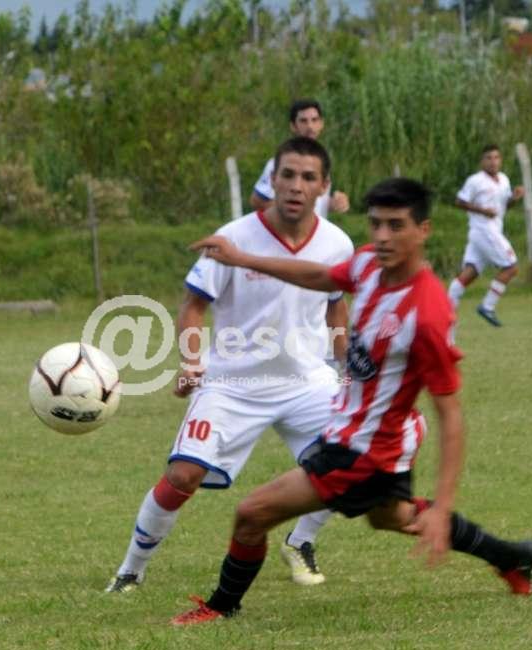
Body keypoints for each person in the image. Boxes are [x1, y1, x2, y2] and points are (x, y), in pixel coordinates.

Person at [171, 177, 532, 626]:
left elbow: (451, 414)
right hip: (359, 436)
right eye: (376, 224)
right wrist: (241, 258)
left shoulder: (427, 313)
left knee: (252, 514)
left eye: (396, 226)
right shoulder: (367, 264)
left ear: (423, 230)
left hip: (363, 451)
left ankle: (220, 607)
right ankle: (513, 556)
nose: (382, 237)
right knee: (393, 517)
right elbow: (321, 276)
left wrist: (443, 506)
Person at [105, 136, 355, 593]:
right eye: (287, 175)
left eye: (308, 177)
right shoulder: (234, 237)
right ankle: (130, 570)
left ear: (324, 186)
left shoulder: (338, 244)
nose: (296, 185)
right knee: (183, 476)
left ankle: (300, 541)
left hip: (307, 382)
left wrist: (346, 367)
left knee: (354, 465)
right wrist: (191, 362)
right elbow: (193, 304)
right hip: (233, 383)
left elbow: (336, 305)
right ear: (272, 179)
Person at [447, 144, 525, 327]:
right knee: (511, 267)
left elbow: (504, 206)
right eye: (488, 158)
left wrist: (515, 198)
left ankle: (445, 310)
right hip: (483, 230)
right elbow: (459, 201)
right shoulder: (475, 180)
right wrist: (482, 211)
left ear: (501, 160)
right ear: (482, 161)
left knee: (469, 273)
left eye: (496, 157)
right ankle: (487, 306)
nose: (493, 162)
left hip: (491, 230)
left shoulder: (504, 179)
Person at [250, 99, 350, 218]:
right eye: (303, 121)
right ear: (293, 126)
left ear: (321, 124)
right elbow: (257, 201)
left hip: (315, 229)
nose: (310, 126)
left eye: (314, 120)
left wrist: (333, 203)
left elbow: (316, 204)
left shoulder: (321, 162)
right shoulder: (280, 163)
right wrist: (294, 217)